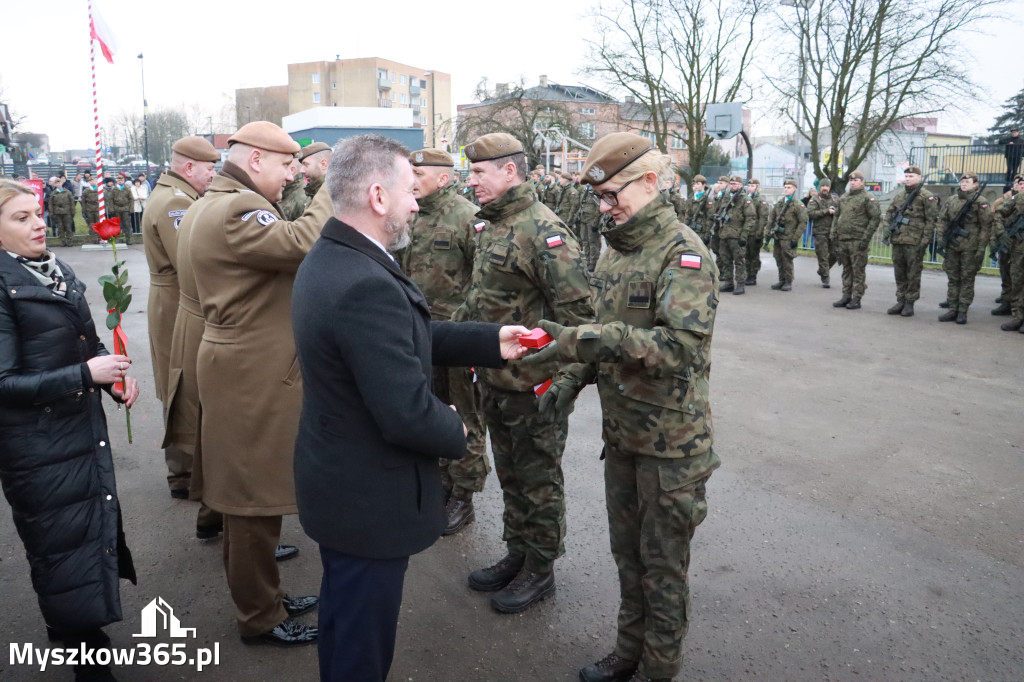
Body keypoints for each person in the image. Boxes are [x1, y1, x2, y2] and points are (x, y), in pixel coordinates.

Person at [292, 133, 530, 682]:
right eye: (408, 190)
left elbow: (407, 334)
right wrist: (459, 428)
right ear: (378, 197)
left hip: (340, 485)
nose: (417, 202)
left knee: (345, 621)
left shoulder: (337, 255)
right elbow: (405, 413)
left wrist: (491, 340)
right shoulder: (362, 282)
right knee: (360, 648)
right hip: (367, 499)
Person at [520, 132, 720, 682]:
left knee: (663, 569)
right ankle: (628, 649)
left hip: (670, 449)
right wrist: (568, 381)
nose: (606, 207)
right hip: (625, 439)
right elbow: (604, 338)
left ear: (650, 183)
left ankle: (658, 668)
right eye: (601, 198)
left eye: (613, 195)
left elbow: (677, 347)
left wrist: (579, 343)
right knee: (628, 559)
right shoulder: (617, 251)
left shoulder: (684, 255)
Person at [186, 121, 331, 646]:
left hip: (243, 366)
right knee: (249, 504)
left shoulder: (221, 199)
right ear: (255, 161)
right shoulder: (236, 208)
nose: (294, 172)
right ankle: (259, 616)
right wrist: (334, 186)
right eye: (287, 164)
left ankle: (264, 595)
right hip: (250, 373)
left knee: (256, 497)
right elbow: (301, 241)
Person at [0, 179, 139, 682]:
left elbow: (89, 343)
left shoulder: (55, 272)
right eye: (21, 218)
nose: (39, 223)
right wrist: (87, 376)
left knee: (82, 537)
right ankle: (85, 655)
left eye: (36, 213)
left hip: (77, 432)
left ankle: (75, 631)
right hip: (35, 445)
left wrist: (110, 378)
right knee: (59, 543)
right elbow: (4, 382)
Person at [458, 132, 595, 614]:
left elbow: (579, 319)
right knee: (513, 475)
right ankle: (518, 553)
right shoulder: (492, 225)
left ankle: (541, 569)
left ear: (509, 171)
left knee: (539, 480)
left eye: (479, 172)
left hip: (532, 385)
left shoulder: (545, 231)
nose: (470, 180)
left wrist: (560, 383)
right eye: (470, 172)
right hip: (496, 378)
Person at [395, 147, 490, 534]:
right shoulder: (410, 214)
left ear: (444, 178)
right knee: (431, 409)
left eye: (419, 174)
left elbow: (482, 282)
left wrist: (468, 329)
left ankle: (463, 496)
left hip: (457, 334)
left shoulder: (468, 218)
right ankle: (440, 484)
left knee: (466, 414)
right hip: (419, 333)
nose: (412, 180)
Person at [141, 135, 220, 539]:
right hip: (178, 304)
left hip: (168, 299)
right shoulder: (177, 203)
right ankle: (186, 473)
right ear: (189, 167)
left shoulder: (171, 194)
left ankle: (183, 472)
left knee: (176, 382)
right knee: (183, 384)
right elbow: (190, 260)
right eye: (209, 168)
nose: (212, 175)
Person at [881, 166, 938, 317]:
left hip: (915, 241)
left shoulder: (926, 196)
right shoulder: (900, 196)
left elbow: (931, 220)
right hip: (898, 239)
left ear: (919, 178)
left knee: (913, 274)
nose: (908, 179)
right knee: (899, 272)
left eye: (911, 176)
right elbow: (889, 213)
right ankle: (900, 300)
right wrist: (887, 228)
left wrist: (925, 240)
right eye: (906, 176)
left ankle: (909, 302)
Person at [937, 171, 992, 324]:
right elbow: (942, 219)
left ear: (975, 184)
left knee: (967, 279)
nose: (964, 184)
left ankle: (962, 311)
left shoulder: (981, 201)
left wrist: (981, 248)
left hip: (970, 246)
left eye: (968, 182)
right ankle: (953, 308)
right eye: (962, 181)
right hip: (952, 245)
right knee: (953, 277)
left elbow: (985, 226)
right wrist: (941, 237)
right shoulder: (953, 199)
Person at [831, 171, 880, 310]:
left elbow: (875, 218)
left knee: (858, 270)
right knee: (846, 269)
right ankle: (846, 295)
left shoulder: (868, 198)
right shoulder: (844, 198)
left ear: (862, 181)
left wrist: (866, 238)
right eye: (851, 180)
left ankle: (856, 298)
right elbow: (837, 216)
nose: (853, 182)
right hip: (843, 239)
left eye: (856, 180)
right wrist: (833, 233)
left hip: (858, 240)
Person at [713, 176, 755, 294]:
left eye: (735, 184)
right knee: (725, 260)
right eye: (731, 184)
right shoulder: (725, 198)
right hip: (724, 234)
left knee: (739, 261)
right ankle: (728, 282)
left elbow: (750, 218)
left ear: (741, 185)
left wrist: (744, 236)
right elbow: (718, 211)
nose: (733, 186)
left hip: (737, 235)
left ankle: (740, 284)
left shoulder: (745, 199)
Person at [992, 177, 1024, 332]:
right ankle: (1018, 317)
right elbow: (998, 213)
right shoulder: (1018, 198)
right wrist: (1000, 232)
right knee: (1017, 282)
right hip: (1018, 249)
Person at [766, 178, 809, 290]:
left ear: (794, 189)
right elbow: (772, 218)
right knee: (778, 258)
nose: (786, 189)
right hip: (778, 236)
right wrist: (767, 232)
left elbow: (803, 222)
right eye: (785, 187)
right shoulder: (780, 203)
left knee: (787, 260)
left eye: (789, 187)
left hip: (789, 237)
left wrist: (796, 238)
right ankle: (781, 280)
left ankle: (788, 281)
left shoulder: (798, 205)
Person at [806, 180, 839, 287]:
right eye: (823, 186)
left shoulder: (834, 199)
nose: (825, 188)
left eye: (827, 186)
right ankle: (826, 279)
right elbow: (810, 213)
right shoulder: (815, 200)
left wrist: (836, 212)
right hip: (820, 232)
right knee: (823, 256)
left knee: (835, 254)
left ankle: (822, 270)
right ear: (820, 187)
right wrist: (826, 211)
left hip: (833, 232)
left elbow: (841, 212)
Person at [744, 178, 770, 285]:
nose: (750, 188)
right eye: (749, 186)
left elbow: (763, 218)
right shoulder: (745, 199)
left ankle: (752, 275)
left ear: (757, 188)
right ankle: (747, 273)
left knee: (753, 255)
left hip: (755, 232)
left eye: (752, 186)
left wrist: (759, 233)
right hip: (746, 232)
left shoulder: (760, 201)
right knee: (746, 255)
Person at [685, 174, 712, 245]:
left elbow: (710, 218)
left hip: (701, 232)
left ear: (704, 185)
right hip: (690, 230)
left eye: (698, 184)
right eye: (694, 184)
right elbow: (687, 215)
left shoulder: (708, 200)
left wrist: (707, 236)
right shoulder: (691, 198)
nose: (695, 186)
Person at [48, 178, 75, 246]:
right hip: (57, 212)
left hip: (67, 212)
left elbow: (72, 202)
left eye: (59, 183)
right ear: (55, 184)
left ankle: (69, 241)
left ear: (62, 183)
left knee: (68, 227)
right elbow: (50, 204)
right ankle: (63, 241)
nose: (58, 184)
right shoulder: (53, 193)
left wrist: (72, 211)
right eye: (57, 183)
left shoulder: (67, 192)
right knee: (60, 227)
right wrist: (52, 212)